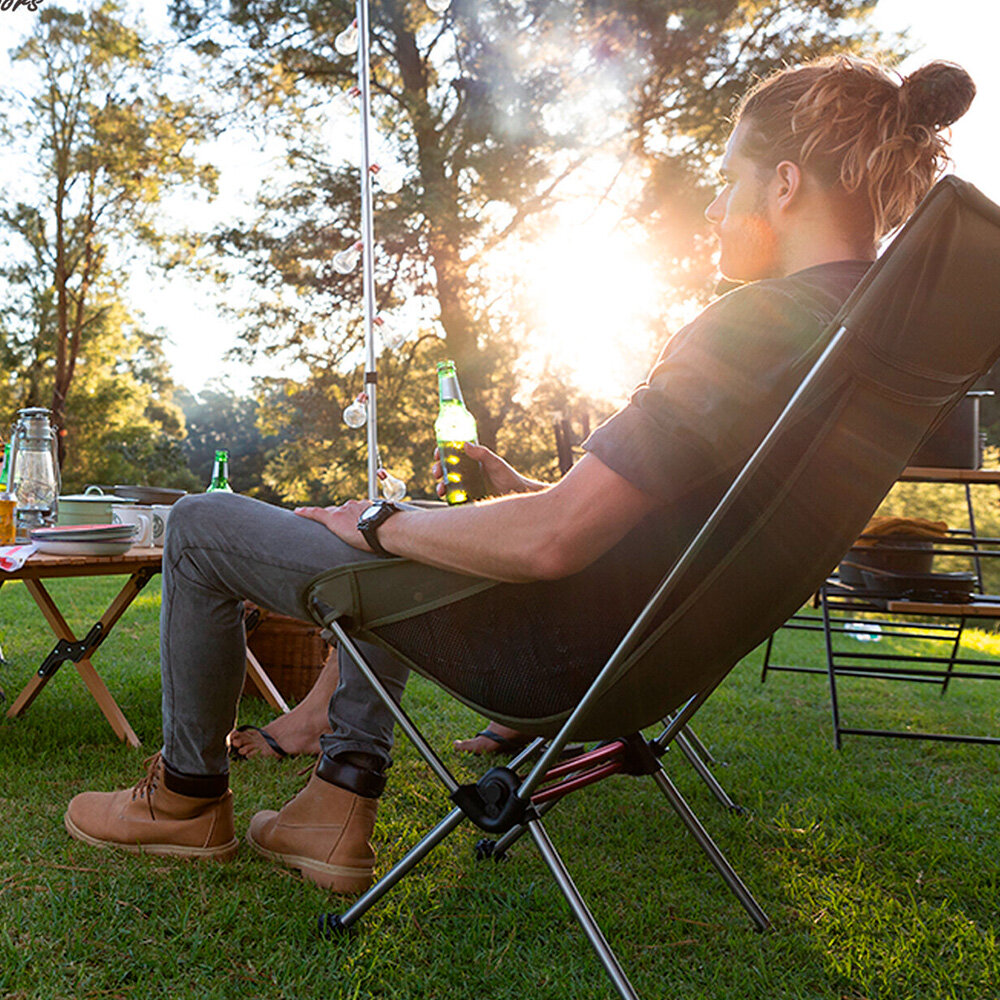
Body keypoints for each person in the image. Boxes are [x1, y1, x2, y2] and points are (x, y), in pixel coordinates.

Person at [64, 56, 975, 893]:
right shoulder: (867, 344)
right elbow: (665, 525)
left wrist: (381, 524)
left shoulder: (759, 324)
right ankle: (334, 804)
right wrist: (462, 510)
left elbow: (553, 543)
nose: (712, 207)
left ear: (784, 184)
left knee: (202, 525)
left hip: (549, 655)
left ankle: (185, 800)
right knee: (417, 517)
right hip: (647, 662)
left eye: (728, 178)